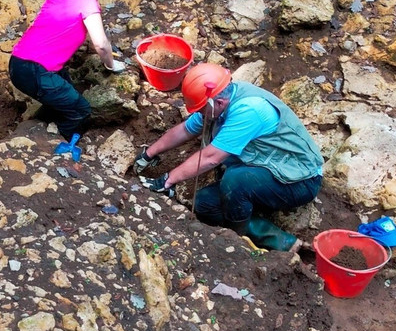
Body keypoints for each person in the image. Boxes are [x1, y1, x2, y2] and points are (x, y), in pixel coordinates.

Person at [134, 63, 324, 251]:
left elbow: (211, 157)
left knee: (236, 180)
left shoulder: (249, 110)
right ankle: (286, 243)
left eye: (201, 110)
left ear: (218, 103)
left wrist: (167, 181)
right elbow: (185, 129)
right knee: (203, 204)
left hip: (300, 180)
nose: (199, 115)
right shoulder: (219, 97)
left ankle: (238, 244)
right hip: (262, 169)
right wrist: (149, 154)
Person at [9, 0, 129, 140]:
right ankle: (55, 144)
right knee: (80, 110)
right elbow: (102, 44)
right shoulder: (88, 0)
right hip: (36, 71)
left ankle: (38, 125)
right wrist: (111, 65)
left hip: (19, 63)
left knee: (65, 92)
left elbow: (61, 29)